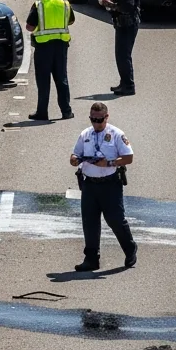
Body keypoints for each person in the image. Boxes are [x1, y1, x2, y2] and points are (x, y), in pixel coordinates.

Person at [69, 102, 137, 271]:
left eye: (99, 120)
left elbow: (128, 157)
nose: (96, 123)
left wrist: (109, 163)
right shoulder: (85, 134)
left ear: (106, 117)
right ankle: (91, 258)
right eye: (93, 119)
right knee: (89, 222)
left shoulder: (116, 134)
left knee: (115, 220)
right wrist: (74, 159)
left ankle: (130, 249)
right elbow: (75, 153)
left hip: (110, 184)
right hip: (90, 184)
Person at [26, 0, 75, 121]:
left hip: (43, 47)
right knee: (62, 79)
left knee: (43, 81)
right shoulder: (64, 4)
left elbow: (29, 27)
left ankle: (42, 112)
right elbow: (71, 20)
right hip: (61, 46)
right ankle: (66, 111)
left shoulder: (39, 5)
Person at [96, 0, 140, 96]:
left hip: (128, 25)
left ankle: (129, 86)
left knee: (123, 56)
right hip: (120, 24)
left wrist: (108, 4)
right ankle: (124, 82)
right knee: (119, 56)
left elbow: (125, 7)